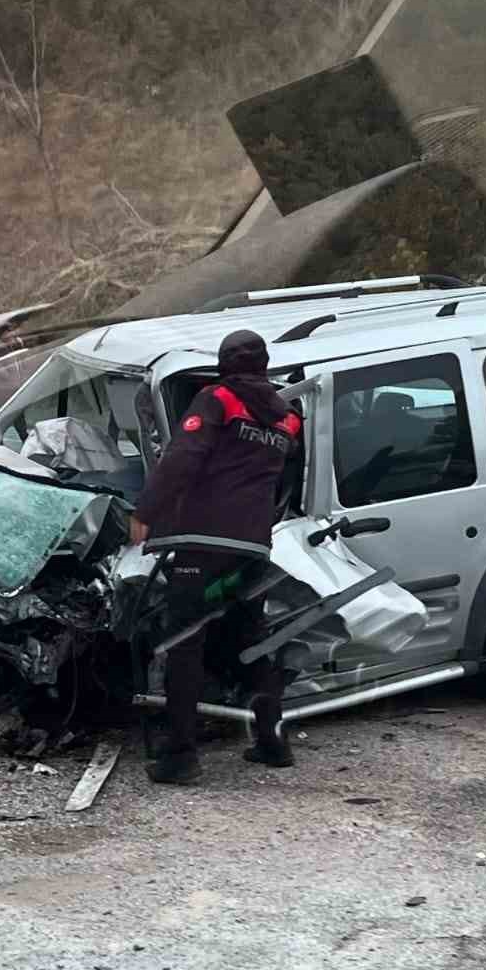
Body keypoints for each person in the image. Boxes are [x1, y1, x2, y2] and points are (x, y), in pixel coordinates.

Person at [129, 329, 302, 785]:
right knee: (251, 642)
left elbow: (182, 458)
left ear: (225, 364)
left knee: (185, 644)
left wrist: (146, 513)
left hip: (202, 543)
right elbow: (285, 483)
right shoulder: (288, 419)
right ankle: (271, 742)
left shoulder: (217, 399)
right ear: (264, 365)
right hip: (251, 548)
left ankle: (180, 757)